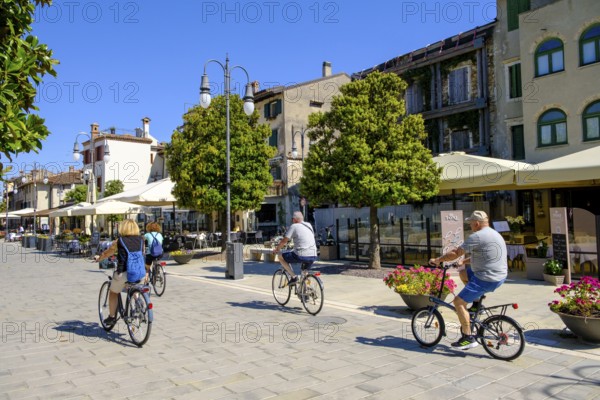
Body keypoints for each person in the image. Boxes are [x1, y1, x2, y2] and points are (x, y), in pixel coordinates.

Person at [429, 210, 507, 350]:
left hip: (486, 278)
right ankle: (477, 305)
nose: (470, 226)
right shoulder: (494, 234)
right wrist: (463, 261)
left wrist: (438, 260)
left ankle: (468, 337)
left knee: (458, 302)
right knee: (464, 273)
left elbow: (455, 253)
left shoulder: (477, 236)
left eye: (471, 223)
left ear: (477, 223)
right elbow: (485, 255)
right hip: (498, 275)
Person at [97, 219, 145, 326]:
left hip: (124, 272)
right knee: (134, 286)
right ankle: (138, 303)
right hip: (139, 272)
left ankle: (112, 317)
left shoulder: (120, 241)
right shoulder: (141, 239)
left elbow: (109, 252)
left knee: (113, 292)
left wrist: (100, 258)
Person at [272, 211, 318, 285]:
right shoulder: (309, 225)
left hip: (301, 255)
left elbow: (284, 241)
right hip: (313, 254)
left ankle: (294, 277)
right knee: (304, 273)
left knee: (280, 257)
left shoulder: (294, 226)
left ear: (294, 219)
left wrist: (277, 249)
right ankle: (306, 291)